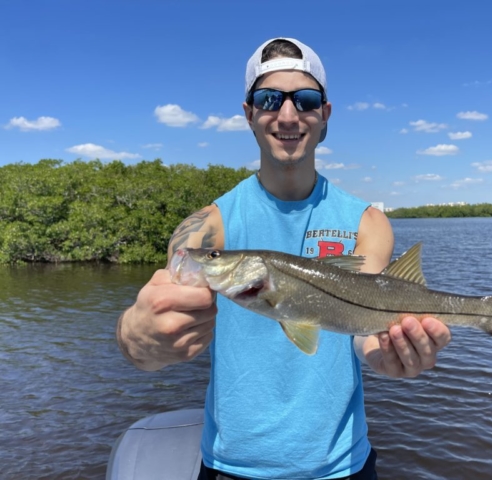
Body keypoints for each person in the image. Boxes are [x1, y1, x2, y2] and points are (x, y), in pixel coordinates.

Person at [116, 37, 451, 480]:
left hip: (342, 466)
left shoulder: (368, 222)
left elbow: (358, 327)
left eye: (306, 100)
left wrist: (384, 352)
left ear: (324, 114)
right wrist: (137, 337)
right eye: (270, 99)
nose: (288, 115)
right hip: (229, 467)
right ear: (249, 113)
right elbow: (154, 340)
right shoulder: (205, 227)